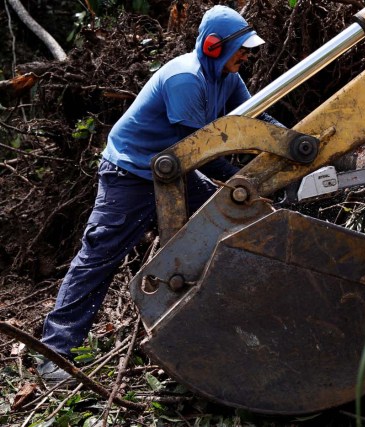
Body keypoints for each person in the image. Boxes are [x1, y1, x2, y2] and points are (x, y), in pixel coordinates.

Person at [37, 5, 281, 383]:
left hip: (174, 170)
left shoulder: (228, 77)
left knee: (234, 227)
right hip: (131, 173)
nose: (247, 55)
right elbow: (200, 151)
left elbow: (255, 119)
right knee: (99, 257)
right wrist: (242, 183)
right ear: (214, 46)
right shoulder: (185, 78)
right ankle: (54, 355)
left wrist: (295, 141)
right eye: (242, 49)